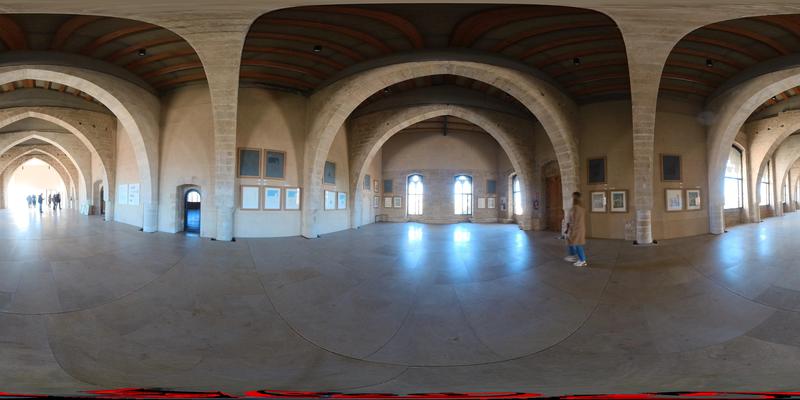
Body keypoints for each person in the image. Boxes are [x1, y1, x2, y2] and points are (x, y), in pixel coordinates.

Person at [564, 191, 588, 267]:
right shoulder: (581, 208)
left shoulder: (575, 208)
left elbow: (572, 220)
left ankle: (582, 261)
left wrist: (568, 229)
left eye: (572, 197)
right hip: (579, 229)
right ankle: (573, 256)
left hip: (576, 229)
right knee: (572, 242)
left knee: (578, 244)